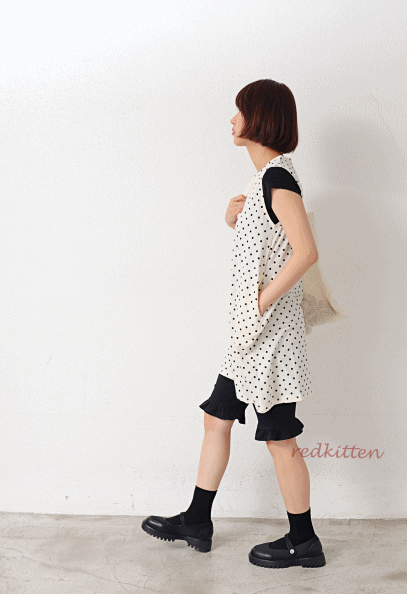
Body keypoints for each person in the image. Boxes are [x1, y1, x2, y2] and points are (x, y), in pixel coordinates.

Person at [142, 79, 326, 569]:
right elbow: (269, 241)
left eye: (239, 111)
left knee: (280, 439)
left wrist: (260, 303)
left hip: (271, 338)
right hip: (250, 337)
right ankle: (196, 520)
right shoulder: (263, 178)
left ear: (259, 119)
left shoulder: (278, 180)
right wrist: (233, 219)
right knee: (217, 418)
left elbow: (305, 251)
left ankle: (304, 542)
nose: (232, 120)